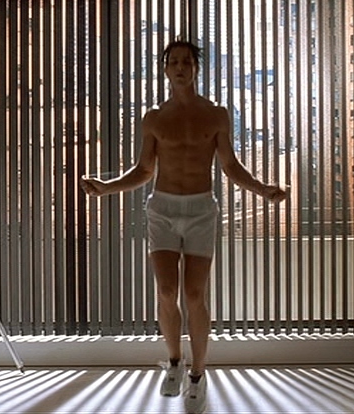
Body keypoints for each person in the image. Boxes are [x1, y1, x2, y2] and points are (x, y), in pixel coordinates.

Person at [80, 40, 286, 413]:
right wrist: (106, 188)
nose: (180, 67)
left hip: (201, 210)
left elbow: (230, 166)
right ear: (165, 69)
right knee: (166, 289)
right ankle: (174, 360)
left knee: (194, 295)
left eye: (186, 62)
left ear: (195, 68)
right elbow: (144, 170)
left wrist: (263, 190)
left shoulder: (217, 114)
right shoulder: (154, 118)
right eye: (173, 62)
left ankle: (197, 375)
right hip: (162, 209)